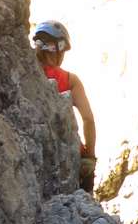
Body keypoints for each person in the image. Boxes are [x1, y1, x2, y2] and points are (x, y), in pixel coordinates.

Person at [33, 20, 97, 191]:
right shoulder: (70, 80)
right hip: (71, 157)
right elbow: (88, 119)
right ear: (59, 48)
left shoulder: (26, 71)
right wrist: (90, 157)